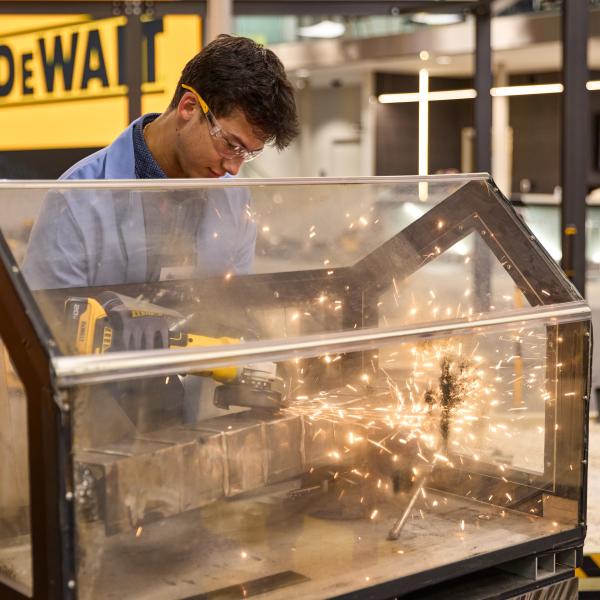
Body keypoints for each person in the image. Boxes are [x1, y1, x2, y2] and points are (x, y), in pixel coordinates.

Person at [22, 34, 299, 290]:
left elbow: (234, 312)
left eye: (248, 153)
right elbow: (47, 326)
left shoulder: (234, 199)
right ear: (189, 107)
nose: (233, 168)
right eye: (230, 145)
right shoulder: (76, 198)